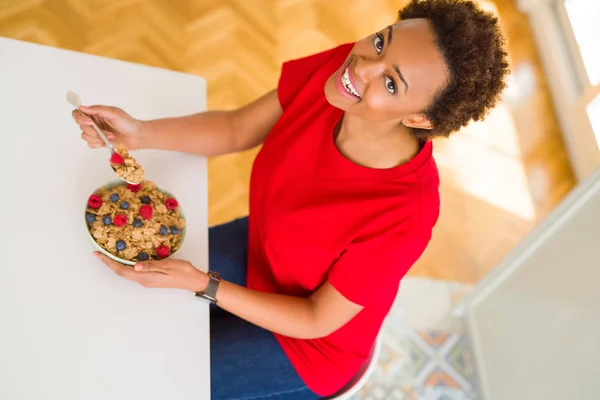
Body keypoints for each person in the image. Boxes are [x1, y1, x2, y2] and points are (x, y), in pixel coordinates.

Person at [73, 0, 509, 398]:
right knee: (124, 304)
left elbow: (317, 318)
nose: (364, 67)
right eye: (381, 42)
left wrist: (203, 284)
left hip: (306, 344)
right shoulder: (345, 74)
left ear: (420, 118)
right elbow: (236, 129)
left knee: (155, 380)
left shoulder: (406, 214)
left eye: (392, 84)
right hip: (262, 249)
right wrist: (140, 132)